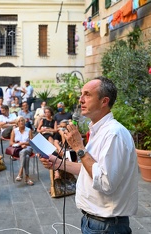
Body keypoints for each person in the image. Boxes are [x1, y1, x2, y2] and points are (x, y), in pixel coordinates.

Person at [40, 77, 138, 234]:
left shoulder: (114, 134)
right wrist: (58, 163)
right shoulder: (99, 131)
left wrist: (79, 147)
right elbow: (91, 169)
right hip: (95, 222)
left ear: (104, 101)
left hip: (106, 226)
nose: (81, 99)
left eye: (87, 94)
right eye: (81, 94)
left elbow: (105, 182)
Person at [10, 116, 34, 185]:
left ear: (25, 121)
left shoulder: (28, 130)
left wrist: (24, 143)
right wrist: (20, 145)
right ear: (17, 123)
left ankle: (20, 172)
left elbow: (32, 143)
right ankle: (27, 177)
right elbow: (11, 143)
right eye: (19, 121)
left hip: (28, 148)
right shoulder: (14, 131)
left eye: (22, 120)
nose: (21, 122)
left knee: (24, 152)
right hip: (18, 149)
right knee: (26, 156)